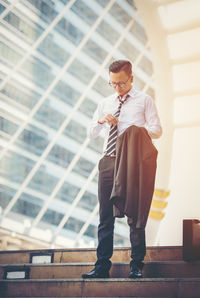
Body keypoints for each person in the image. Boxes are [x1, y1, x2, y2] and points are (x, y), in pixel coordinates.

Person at [82, 60, 162, 279]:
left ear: (132, 78)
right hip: (108, 161)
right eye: (113, 83)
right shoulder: (105, 102)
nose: (117, 87)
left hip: (132, 163)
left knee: (134, 215)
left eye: (122, 83)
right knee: (105, 215)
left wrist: (128, 130)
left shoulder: (144, 100)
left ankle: (136, 265)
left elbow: (156, 130)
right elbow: (91, 133)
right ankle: (102, 266)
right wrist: (101, 120)